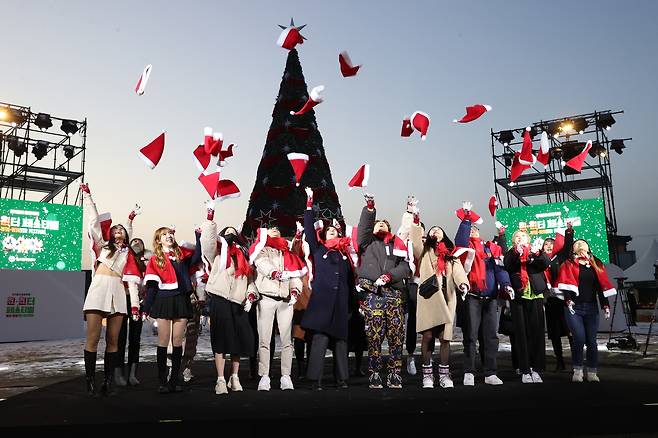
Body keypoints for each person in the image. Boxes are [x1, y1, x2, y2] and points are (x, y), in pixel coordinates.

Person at [81, 183, 140, 396]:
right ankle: (89, 381)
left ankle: (107, 381)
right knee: (93, 338)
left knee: (114, 340)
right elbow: (93, 222)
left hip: (117, 292)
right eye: (115, 229)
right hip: (98, 290)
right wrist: (89, 197)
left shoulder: (128, 254)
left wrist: (131, 218)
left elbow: (132, 280)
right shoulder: (102, 245)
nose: (118, 231)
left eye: (121, 229)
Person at [407, 204, 469, 389]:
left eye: (438, 230)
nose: (435, 231)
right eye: (432, 230)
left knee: (444, 338)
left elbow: (458, 271)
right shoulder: (424, 252)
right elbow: (416, 242)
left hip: (447, 298)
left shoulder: (451, 254)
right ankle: (427, 375)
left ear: (444, 235)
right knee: (427, 336)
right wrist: (416, 221)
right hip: (429, 298)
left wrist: (463, 284)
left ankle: (444, 374)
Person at [201, 201, 258, 394]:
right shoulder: (217, 254)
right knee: (221, 340)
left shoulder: (244, 256)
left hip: (239, 302)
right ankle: (220, 379)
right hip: (220, 299)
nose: (231, 235)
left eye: (234, 232)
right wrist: (210, 217)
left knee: (238, 340)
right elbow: (207, 242)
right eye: (228, 232)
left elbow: (250, 279)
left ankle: (235, 377)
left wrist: (251, 294)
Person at [356, 193, 412, 389]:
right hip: (373, 296)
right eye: (376, 224)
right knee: (374, 337)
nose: (380, 226)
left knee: (396, 338)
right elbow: (363, 229)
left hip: (395, 296)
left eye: (383, 224)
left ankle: (395, 373)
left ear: (389, 228)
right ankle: (374, 373)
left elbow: (406, 268)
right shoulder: (366, 243)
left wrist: (389, 276)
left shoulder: (397, 245)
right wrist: (370, 208)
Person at [301, 188, 354, 390]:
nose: (334, 232)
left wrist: (351, 304)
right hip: (322, 304)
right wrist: (309, 204)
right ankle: (315, 380)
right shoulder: (319, 249)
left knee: (340, 342)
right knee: (320, 340)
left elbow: (349, 280)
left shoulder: (345, 255)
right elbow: (308, 229)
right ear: (324, 234)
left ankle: (342, 379)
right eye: (330, 231)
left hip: (340, 305)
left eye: (336, 231)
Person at [454, 202, 512, 387]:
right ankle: (469, 371)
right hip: (472, 297)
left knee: (491, 337)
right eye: (469, 229)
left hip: (491, 299)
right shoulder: (464, 250)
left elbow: (500, 270)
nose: (472, 231)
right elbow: (460, 240)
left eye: (474, 229)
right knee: (470, 336)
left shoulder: (490, 248)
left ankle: (490, 372)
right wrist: (466, 218)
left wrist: (506, 284)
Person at [143, 226, 201, 393]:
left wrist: (198, 236)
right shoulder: (155, 259)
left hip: (181, 300)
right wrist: (146, 308)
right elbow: (152, 287)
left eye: (170, 233)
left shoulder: (181, 255)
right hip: (163, 301)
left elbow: (196, 257)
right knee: (163, 342)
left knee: (177, 341)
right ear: (158, 240)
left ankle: (174, 380)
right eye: (164, 235)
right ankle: (162, 381)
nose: (168, 236)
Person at [249, 223, 306, 391]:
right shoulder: (261, 249)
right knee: (265, 340)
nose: (275, 231)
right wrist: (275, 273)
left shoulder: (288, 253)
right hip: (266, 298)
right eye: (272, 230)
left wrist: (295, 291)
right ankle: (264, 376)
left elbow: (295, 274)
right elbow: (262, 264)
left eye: (278, 230)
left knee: (287, 341)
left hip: (285, 301)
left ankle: (286, 376)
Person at [557, 239, 616, 382]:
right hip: (573, 308)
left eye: (583, 243)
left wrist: (605, 305)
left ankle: (592, 372)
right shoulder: (568, 264)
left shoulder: (596, 263)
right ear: (573, 249)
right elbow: (565, 285)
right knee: (579, 338)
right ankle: (577, 370)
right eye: (577, 244)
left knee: (591, 341)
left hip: (591, 307)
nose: (580, 245)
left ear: (588, 247)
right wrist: (568, 300)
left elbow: (601, 286)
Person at [504, 231, 550, 383]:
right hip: (519, 295)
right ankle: (524, 369)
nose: (520, 238)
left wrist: (536, 254)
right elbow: (508, 265)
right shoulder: (511, 253)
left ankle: (536, 369)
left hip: (535, 294)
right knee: (521, 334)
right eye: (517, 236)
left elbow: (545, 263)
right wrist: (518, 254)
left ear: (528, 239)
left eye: (522, 236)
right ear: (513, 240)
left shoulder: (535, 250)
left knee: (537, 332)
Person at [115, 237, 149, 386]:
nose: (136, 244)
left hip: (139, 302)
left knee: (135, 339)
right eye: (133, 242)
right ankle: (118, 373)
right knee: (120, 337)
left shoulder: (147, 261)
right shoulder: (124, 258)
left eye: (139, 243)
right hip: (123, 298)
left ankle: (132, 374)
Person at [542, 223, 574, 371]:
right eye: (546, 244)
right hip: (550, 301)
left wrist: (568, 232)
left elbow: (568, 246)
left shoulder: (559, 257)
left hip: (564, 300)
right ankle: (559, 361)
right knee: (554, 333)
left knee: (570, 330)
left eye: (551, 243)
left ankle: (576, 360)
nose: (548, 246)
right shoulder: (541, 260)